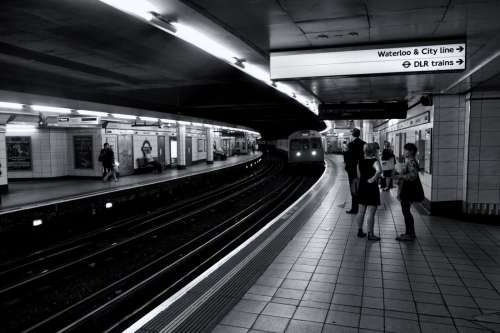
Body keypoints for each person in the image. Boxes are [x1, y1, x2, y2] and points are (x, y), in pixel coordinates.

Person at [395, 143, 424, 241]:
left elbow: (413, 176)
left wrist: (400, 176)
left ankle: (410, 234)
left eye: (405, 150)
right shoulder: (410, 161)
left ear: (411, 151)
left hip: (408, 189)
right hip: (407, 188)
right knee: (405, 211)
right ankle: (409, 232)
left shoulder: (411, 162)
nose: (404, 152)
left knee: (406, 211)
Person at [355, 143, 382, 241]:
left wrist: (365, 179)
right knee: (371, 212)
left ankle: (359, 231)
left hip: (362, 186)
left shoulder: (360, 161)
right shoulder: (375, 161)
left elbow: (358, 175)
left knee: (361, 211)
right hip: (371, 188)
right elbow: (379, 171)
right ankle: (370, 234)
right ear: (374, 151)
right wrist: (373, 179)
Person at [345, 128, 366, 214]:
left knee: (353, 189)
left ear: (352, 135)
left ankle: (354, 208)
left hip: (352, 170)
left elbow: (347, 158)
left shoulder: (350, 145)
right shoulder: (364, 144)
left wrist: (347, 168)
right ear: (359, 134)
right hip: (362, 169)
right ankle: (362, 207)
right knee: (361, 188)